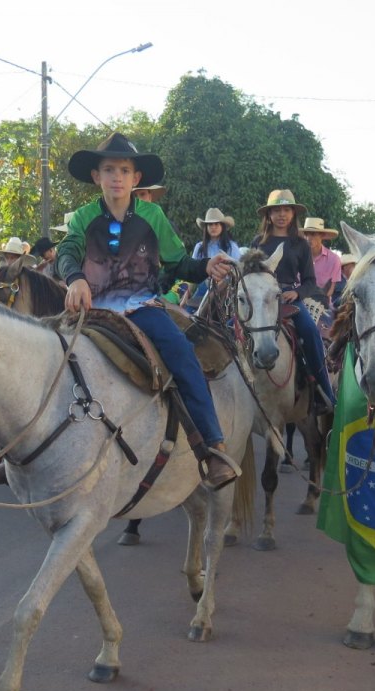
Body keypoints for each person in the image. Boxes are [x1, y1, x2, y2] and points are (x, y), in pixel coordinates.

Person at [54, 132, 239, 489]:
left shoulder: (153, 215)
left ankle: (212, 447)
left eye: (124, 170)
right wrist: (75, 277)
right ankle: (19, 452)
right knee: (45, 350)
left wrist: (205, 267)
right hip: (92, 310)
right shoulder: (83, 217)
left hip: (141, 307)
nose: (117, 177)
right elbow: (68, 251)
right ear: (96, 176)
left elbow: (179, 263)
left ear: (136, 178)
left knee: (182, 354)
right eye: (109, 170)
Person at [250, 189, 336, 413]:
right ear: (268, 215)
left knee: (310, 331)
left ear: (293, 214)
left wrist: (297, 293)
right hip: (261, 298)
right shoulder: (258, 242)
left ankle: (324, 393)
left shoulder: (300, 244)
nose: (282, 214)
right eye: (276, 210)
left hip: (289, 297)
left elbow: (310, 281)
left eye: (286, 210)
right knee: (232, 327)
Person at [185, 207, 241, 312]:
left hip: (226, 290)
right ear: (206, 227)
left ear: (222, 226)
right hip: (203, 288)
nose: (213, 227)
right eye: (210, 224)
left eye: (216, 224)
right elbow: (192, 273)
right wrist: (186, 294)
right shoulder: (199, 247)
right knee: (187, 313)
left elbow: (238, 271)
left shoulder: (231, 247)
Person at [300, 217, 343, 300]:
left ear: (322, 235)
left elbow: (330, 291)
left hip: (322, 302)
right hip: (298, 299)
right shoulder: (297, 257)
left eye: (313, 234)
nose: (308, 238)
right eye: (306, 234)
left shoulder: (334, 259)